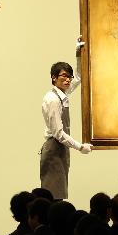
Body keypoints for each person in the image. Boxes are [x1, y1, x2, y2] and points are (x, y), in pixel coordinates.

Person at [40, 37, 92, 200]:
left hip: (60, 148)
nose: (68, 79)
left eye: (68, 76)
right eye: (64, 76)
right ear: (54, 78)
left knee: (59, 193)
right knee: (53, 196)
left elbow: (79, 77)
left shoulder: (61, 94)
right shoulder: (53, 99)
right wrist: (80, 147)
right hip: (55, 147)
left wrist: (78, 53)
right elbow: (58, 133)